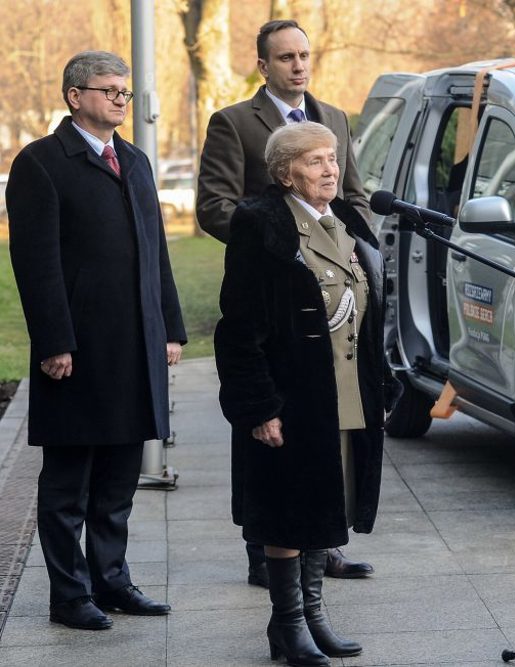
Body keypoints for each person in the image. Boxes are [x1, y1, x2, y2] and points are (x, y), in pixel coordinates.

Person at [6, 51, 186, 631]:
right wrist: (54, 342)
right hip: (79, 352)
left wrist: (170, 327)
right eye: (108, 90)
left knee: (118, 479)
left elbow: (155, 251)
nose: (119, 100)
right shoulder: (40, 163)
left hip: (135, 348)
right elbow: (36, 265)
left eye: (124, 92)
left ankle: (112, 581)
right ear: (74, 96)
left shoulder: (134, 160)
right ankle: (69, 595)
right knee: (68, 484)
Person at [197, 18, 372, 587]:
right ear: (264, 66)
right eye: (286, 57)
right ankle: (266, 550)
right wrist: (277, 243)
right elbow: (215, 206)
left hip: (334, 290)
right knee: (274, 424)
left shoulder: (334, 118)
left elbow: (353, 197)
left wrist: (352, 246)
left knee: (330, 424)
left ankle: (325, 543)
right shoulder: (233, 122)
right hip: (273, 295)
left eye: (304, 55)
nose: (299, 65)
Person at [215, 121, 397, 664]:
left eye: (332, 159)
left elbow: (366, 314)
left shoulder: (344, 221)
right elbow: (239, 328)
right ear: (285, 173)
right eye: (315, 161)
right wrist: (259, 406)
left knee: (326, 507)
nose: (330, 170)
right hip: (292, 399)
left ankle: (315, 617)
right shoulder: (262, 225)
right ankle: (288, 623)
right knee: (287, 511)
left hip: (344, 395)